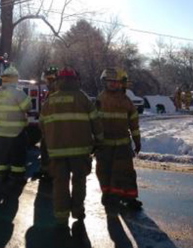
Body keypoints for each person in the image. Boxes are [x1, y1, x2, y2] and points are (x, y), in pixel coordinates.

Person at [40, 68, 103, 226]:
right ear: (76, 80)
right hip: (80, 150)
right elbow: (95, 120)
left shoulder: (50, 100)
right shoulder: (82, 98)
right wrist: (99, 140)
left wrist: (51, 140)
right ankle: (77, 211)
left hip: (57, 150)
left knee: (60, 182)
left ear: (58, 81)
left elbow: (42, 125)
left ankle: (61, 216)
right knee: (79, 181)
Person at [95, 68, 143, 209]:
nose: (113, 85)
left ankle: (129, 198)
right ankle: (108, 195)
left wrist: (137, 140)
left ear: (122, 84)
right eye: (110, 82)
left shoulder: (127, 102)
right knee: (104, 171)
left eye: (116, 83)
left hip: (122, 146)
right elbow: (93, 123)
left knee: (126, 172)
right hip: (104, 146)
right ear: (104, 82)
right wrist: (93, 142)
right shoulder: (100, 100)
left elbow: (134, 124)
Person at [0, 66, 32, 190]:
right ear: (15, 79)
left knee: (2, 155)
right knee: (18, 155)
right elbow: (27, 107)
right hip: (16, 131)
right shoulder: (18, 93)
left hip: (0, 130)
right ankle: (17, 178)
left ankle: (2, 175)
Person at [34, 65, 59, 183]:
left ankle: (51, 172)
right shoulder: (52, 91)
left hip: (54, 128)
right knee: (44, 148)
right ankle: (45, 170)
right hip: (49, 127)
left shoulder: (57, 91)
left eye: (48, 80)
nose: (47, 82)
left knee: (49, 150)